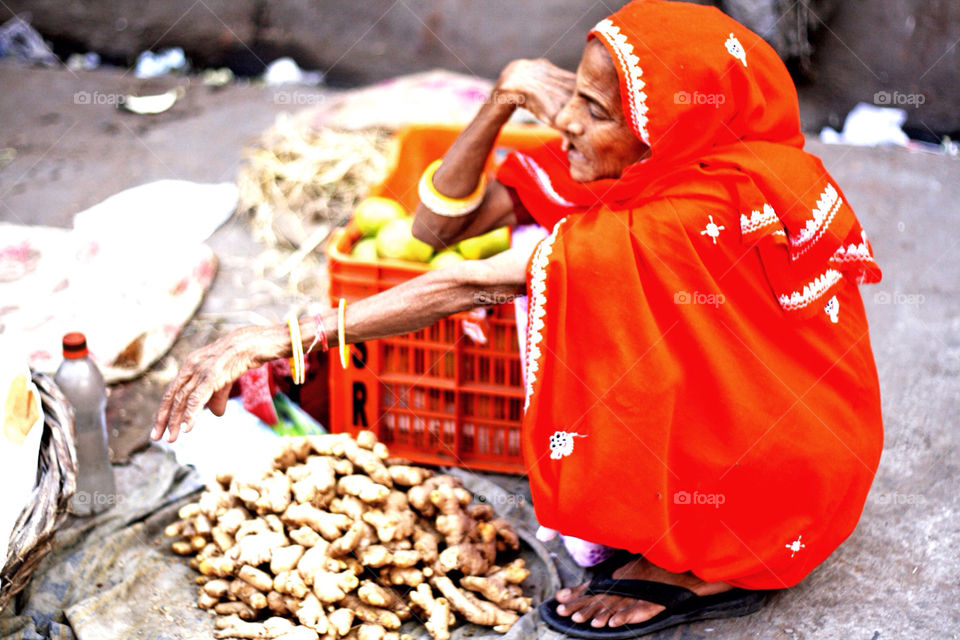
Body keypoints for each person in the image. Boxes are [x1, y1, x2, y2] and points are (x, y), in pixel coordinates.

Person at [153, 1, 884, 636]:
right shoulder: (660, 159)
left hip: (783, 478)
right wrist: (499, 100)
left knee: (565, 277)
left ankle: (717, 568)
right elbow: (432, 227)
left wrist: (278, 337)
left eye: (594, 110)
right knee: (572, 269)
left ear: (660, 130)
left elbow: (468, 283)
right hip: (763, 429)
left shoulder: (691, 214)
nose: (564, 119)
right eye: (575, 91)